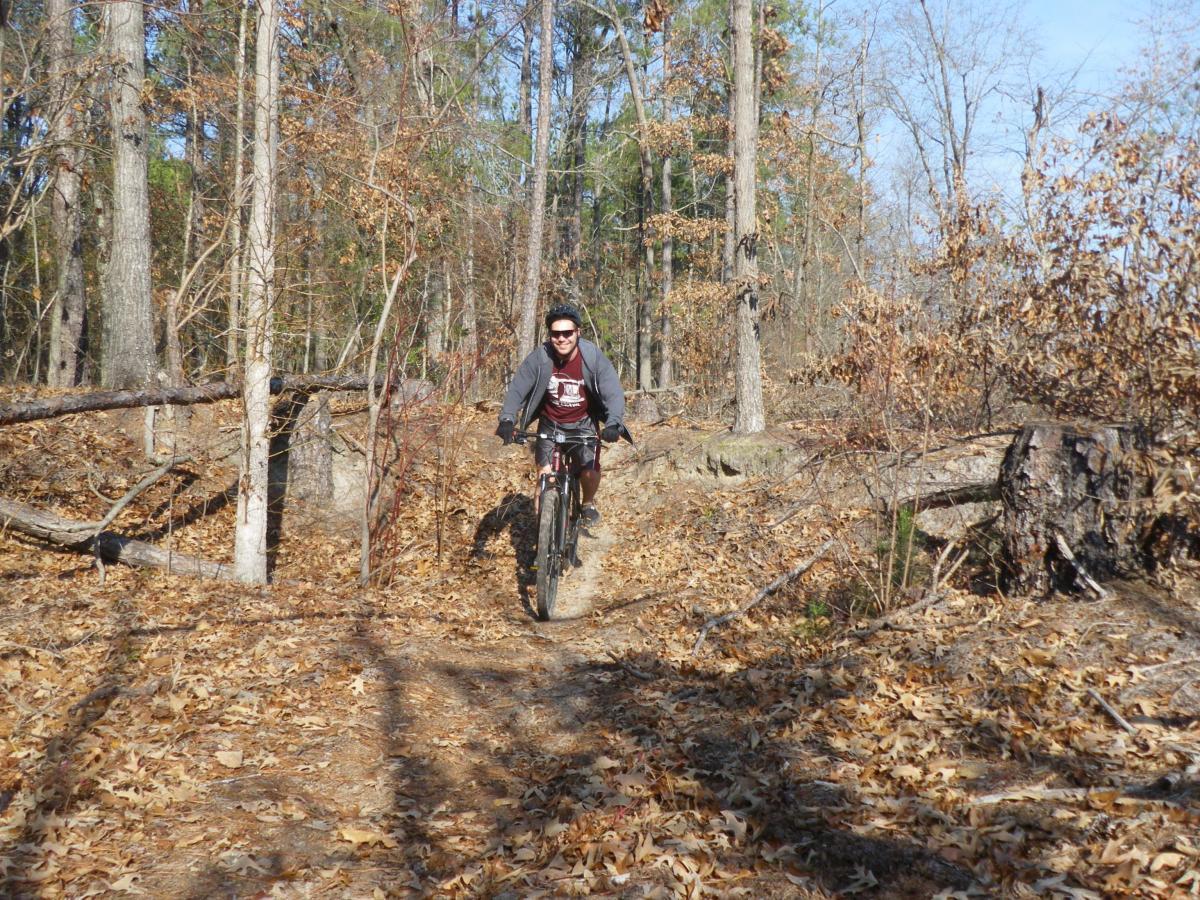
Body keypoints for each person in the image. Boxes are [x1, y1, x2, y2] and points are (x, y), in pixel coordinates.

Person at [496, 304, 627, 526]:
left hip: (583, 423)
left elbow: (612, 391)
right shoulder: (540, 357)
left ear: (578, 332)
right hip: (551, 424)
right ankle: (544, 538)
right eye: (556, 334)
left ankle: (587, 503)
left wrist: (614, 423)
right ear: (550, 335)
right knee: (543, 480)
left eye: (567, 333)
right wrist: (507, 419)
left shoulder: (592, 357)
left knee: (589, 472)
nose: (562, 339)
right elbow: (518, 388)